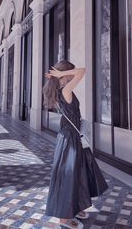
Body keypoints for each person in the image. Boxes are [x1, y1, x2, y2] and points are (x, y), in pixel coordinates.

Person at [43, 60, 108, 229]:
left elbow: (79, 71)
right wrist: (61, 74)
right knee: (69, 177)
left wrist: (60, 74)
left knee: (78, 174)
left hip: (70, 137)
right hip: (69, 140)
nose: (73, 74)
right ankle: (64, 218)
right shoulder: (65, 90)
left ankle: (76, 206)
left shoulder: (61, 90)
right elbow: (83, 70)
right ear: (64, 75)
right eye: (69, 73)